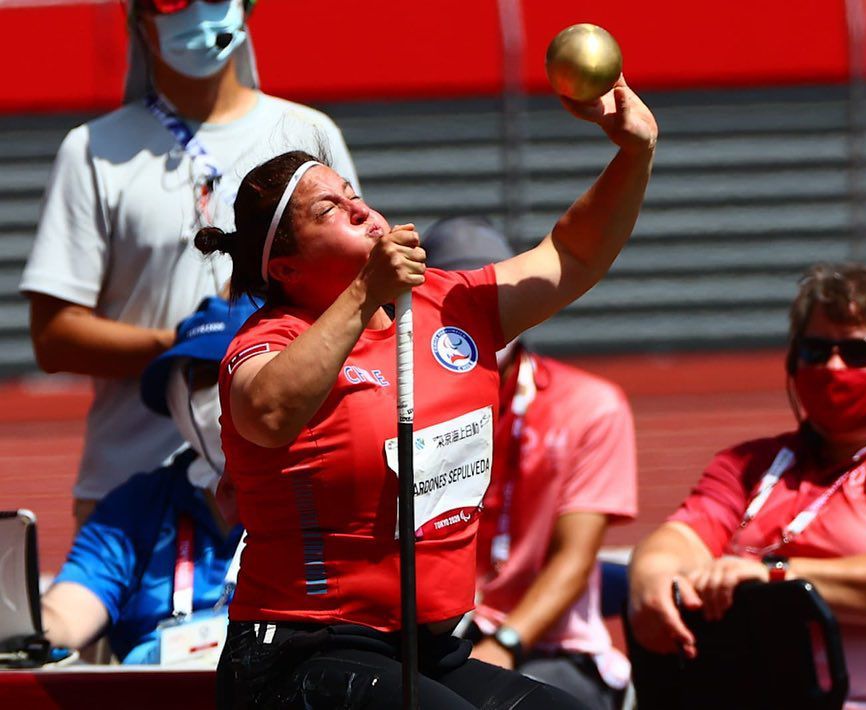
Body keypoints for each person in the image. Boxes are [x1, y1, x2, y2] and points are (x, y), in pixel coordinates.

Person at [197, 74, 656, 708]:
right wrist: (364, 295)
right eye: (328, 209)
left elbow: (572, 256)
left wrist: (633, 154)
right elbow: (268, 411)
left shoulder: (445, 305)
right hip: (302, 651)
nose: (359, 208)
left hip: (427, 646)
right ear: (286, 267)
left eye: (354, 195)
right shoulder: (270, 338)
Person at [19, 0, 358, 525]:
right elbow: (53, 336)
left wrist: (247, 351)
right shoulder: (91, 150)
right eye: (174, 1)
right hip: (131, 496)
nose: (197, 14)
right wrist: (191, 344)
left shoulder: (308, 133)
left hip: (285, 487)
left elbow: (353, 290)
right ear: (139, 21)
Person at [627, 263, 866, 709]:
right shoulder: (751, 464)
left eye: (859, 351)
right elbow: (682, 535)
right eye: (816, 350)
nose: (834, 366)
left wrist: (775, 577)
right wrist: (653, 577)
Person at [422, 217, 638, 710]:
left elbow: (574, 556)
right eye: (454, 300)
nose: (475, 315)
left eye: (487, 293)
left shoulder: (589, 405)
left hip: (547, 647)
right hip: (437, 641)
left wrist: (508, 642)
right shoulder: (398, 410)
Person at [41, 295, 255, 664]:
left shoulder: (324, 493)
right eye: (204, 378)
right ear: (173, 399)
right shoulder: (135, 507)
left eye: (237, 369)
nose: (221, 391)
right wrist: (25, 627)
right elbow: (65, 614)